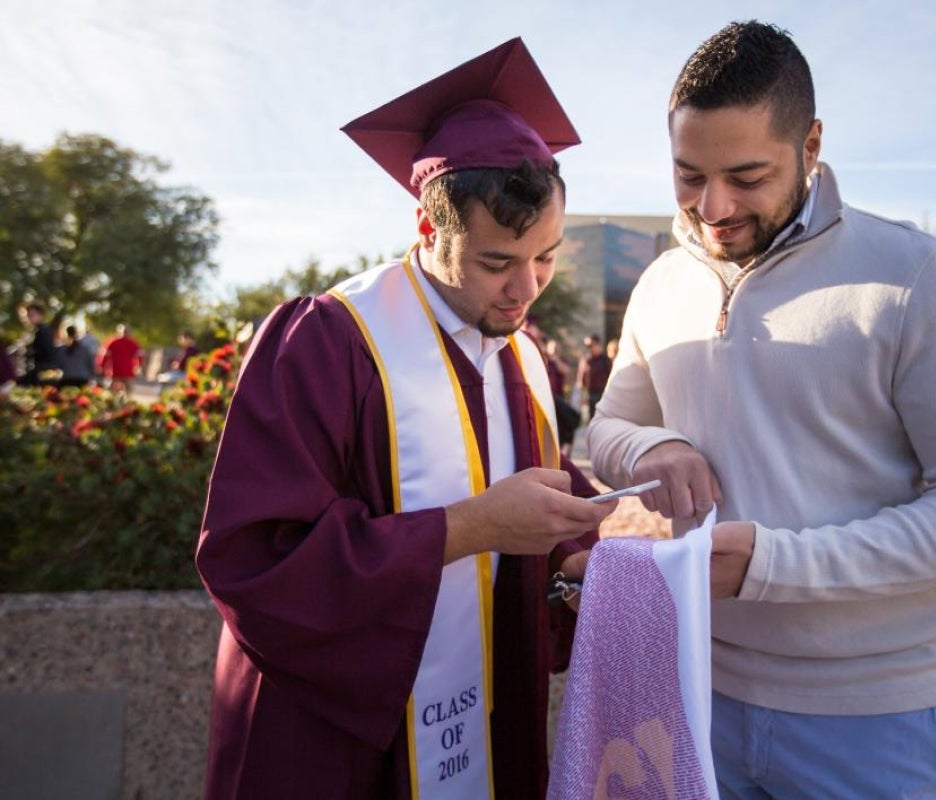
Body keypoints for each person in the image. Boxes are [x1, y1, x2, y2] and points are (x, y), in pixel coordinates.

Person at [587, 21, 936, 799]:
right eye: (688, 174)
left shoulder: (917, 278)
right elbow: (604, 431)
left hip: (877, 722)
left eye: (747, 175)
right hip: (702, 691)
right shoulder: (661, 286)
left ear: (812, 143)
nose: (713, 207)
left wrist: (772, 566)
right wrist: (650, 448)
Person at [195, 38, 614, 800]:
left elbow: (544, 495)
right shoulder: (327, 340)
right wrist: (472, 528)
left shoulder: (522, 358)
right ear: (427, 230)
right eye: (496, 263)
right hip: (341, 738)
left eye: (546, 256)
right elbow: (254, 558)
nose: (527, 291)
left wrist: (584, 551)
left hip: (482, 705)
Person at [16, 303, 59, 386]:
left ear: (41, 315)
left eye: (32, 315)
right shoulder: (35, 331)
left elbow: (46, 351)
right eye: (28, 315)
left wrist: (27, 350)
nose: (29, 318)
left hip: (42, 371)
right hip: (37, 369)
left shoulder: (43, 331)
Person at [576, 334, 611, 422]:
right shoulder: (586, 360)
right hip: (590, 393)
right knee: (592, 419)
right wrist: (581, 394)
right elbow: (581, 379)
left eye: (591, 346)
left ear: (598, 344)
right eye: (587, 346)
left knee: (602, 419)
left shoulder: (605, 360)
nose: (589, 348)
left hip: (603, 394)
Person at [97, 324, 142, 391]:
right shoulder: (132, 343)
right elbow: (140, 356)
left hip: (117, 371)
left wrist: (102, 366)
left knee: (112, 391)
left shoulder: (112, 341)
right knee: (128, 391)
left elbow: (105, 355)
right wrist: (138, 366)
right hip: (125, 371)